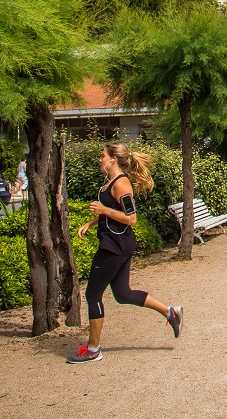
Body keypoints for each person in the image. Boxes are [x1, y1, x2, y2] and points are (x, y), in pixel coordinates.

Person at [68, 142, 182, 363]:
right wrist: (92, 222)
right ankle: (171, 312)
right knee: (122, 294)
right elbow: (112, 212)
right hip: (116, 243)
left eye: (102, 156)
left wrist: (102, 211)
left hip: (115, 246)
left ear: (112, 159)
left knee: (93, 294)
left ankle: (93, 349)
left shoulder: (121, 184)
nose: (99, 159)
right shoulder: (110, 181)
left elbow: (131, 218)